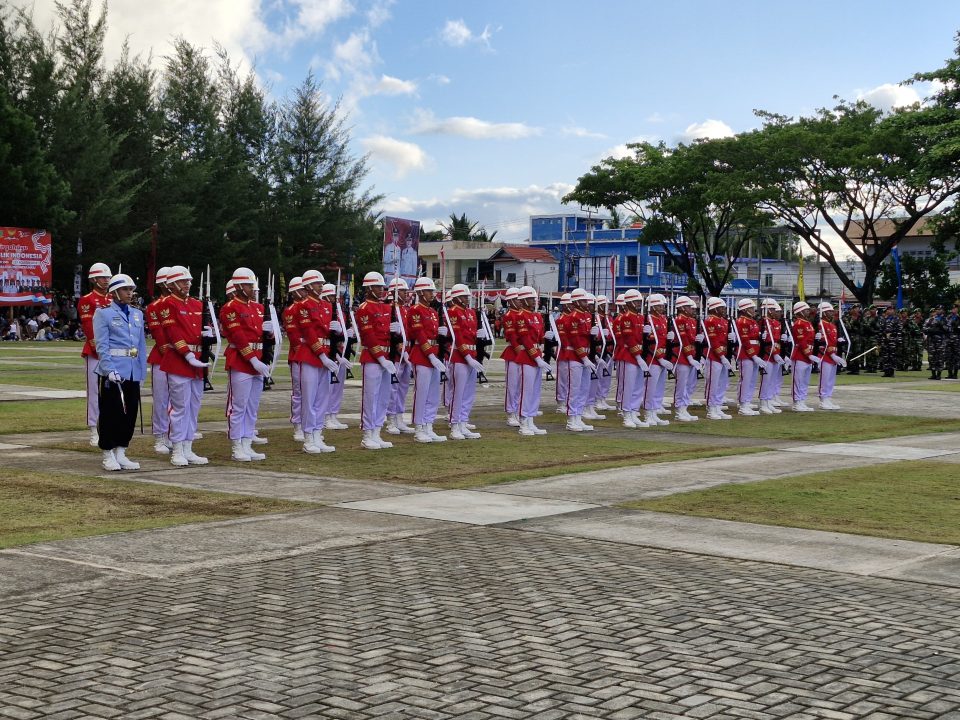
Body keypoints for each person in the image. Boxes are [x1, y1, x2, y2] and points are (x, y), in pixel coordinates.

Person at [93, 273, 148, 471]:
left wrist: (142, 371)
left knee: (130, 413)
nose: (129, 293)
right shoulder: (103, 313)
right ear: (115, 292)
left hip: (132, 370)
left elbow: (140, 345)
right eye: (126, 289)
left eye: (131, 289)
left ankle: (121, 451)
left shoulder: (137, 314)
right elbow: (102, 345)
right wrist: (108, 370)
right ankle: (107, 452)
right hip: (113, 370)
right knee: (111, 412)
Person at [160, 265, 210, 466]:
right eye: (183, 281)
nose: (187, 284)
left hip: (197, 359)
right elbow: (172, 332)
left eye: (188, 280)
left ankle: (188, 447)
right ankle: (177, 448)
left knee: (193, 406)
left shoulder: (197, 304)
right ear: (171, 285)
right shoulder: (168, 304)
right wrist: (187, 354)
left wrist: (209, 334)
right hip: (179, 359)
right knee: (179, 407)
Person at [221, 267, 272, 461]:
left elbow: (262, 336)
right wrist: (252, 359)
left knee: (252, 406)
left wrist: (270, 333)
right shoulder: (230, 307)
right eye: (250, 285)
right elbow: (238, 336)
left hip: (258, 358)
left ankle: (247, 442)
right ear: (240, 286)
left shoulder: (258, 308)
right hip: (241, 360)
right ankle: (236, 446)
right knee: (238, 405)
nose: (253, 288)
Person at [294, 269, 337, 454]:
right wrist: (321, 355)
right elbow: (309, 331)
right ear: (309, 286)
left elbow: (326, 330)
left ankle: (318, 433)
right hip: (310, 354)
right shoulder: (302, 306)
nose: (322, 286)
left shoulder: (327, 306)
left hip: (325, 353)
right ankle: (308, 436)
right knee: (309, 398)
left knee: (322, 398)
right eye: (319, 283)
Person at [355, 272, 397, 449]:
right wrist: (380, 357)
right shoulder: (365, 308)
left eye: (383, 287)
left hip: (387, 356)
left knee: (383, 397)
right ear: (369, 288)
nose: (382, 290)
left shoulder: (387, 308)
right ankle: (367, 433)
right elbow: (368, 335)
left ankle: (377, 431)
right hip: (373, 357)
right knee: (370, 397)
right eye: (379, 287)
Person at [408, 277, 447, 443]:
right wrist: (430, 354)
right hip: (422, 354)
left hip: (434, 352)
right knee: (422, 393)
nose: (433, 294)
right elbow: (419, 334)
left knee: (433, 394)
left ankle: (428, 424)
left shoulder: (432, 312)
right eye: (429, 291)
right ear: (421, 293)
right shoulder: (415, 310)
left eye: (432, 290)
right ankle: (418, 427)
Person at [78, 262, 113, 446]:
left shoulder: (113, 298)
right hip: (96, 351)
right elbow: (89, 327)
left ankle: (108, 427)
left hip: (113, 350)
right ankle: (93, 428)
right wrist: (100, 349)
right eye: (103, 277)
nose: (106, 280)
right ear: (94, 280)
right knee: (94, 391)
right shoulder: (88, 300)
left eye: (108, 277)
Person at [444, 283, 484, 439]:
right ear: (457, 298)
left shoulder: (471, 313)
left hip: (471, 355)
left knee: (468, 393)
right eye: (465, 296)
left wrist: (478, 337)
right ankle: (455, 424)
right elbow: (458, 335)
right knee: (458, 392)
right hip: (459, 356)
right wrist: (466, 355)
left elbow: (470, 333)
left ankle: (463, 421)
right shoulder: (452, 312)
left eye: (467, 296)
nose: (467, 299)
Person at [514, 286, 551, 436]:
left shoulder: (537, 316)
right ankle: (523, 422)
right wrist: (536, 356)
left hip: (537, 354)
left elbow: (539, 336)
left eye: (534, 298)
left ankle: (531, 420)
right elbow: (525, 339)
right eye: (530, 298)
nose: (534, 301)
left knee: (535, 391)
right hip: (527, 356)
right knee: (526, 391)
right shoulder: (520, 315)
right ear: (523, 301)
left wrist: (545, 339)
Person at [560, 288, 596, 431]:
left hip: (585, 355)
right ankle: (571, 419)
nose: (586, 303)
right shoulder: (573, 317)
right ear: (576, 302)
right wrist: (583, 357)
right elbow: (574, 339)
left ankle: (578, 416)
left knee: (584, 389)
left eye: (586, 300)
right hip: (575, 356)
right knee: (574, 389)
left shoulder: (587, 315)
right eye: (583, 300)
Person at [146, 267, 173, 454]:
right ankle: (160, 436)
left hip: (181, 356)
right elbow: (159, 335)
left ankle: (174, 434)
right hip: (164, 356)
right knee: (161, 399)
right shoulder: (154, 306)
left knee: (179, 401)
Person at [614, 290, 649, 428]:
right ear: (629, 303)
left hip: (639, 354)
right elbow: (629, 339)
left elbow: (641, 338)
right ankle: (627, 414)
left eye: (640, 302)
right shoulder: (626, 317)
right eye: (636, 301)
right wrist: (638, 356)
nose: (639, 304)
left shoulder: (640, 317)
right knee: (628, 387)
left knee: (638, 386)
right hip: (628, 354)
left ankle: (634, 411)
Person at [385, 277, 415, 435]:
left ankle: (399, 417)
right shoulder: (390, 309)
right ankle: (390, 419)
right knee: (393, 389)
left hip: (406, 353)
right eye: (403, 291)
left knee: (403, 388)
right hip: (395, 355)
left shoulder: (405, 309)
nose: (406, 293)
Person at [322, 283, 352, 431]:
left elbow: (343, 333)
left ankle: (333, 414)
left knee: (338, 387)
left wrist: (348, 333)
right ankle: (326, 415)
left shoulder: (340, 312)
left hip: (341, 351)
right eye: (331, 296)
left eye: (335, 296)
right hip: (330, 353)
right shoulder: (324, 311)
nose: (334, 299)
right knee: (328, 387)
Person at [642, 293, 672, 426]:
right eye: (659, 306)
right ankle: (648, 413)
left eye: (662, 305)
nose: (662, 308)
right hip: (652, 358)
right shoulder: (649, 320)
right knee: (650, 388)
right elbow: (651, 342)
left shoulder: (663, 319)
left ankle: (654, 411)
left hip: (663, 357)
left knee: (659, 388)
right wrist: (660, 358)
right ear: (653, 307)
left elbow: (664, 341)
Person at [282, 277, 306, 440]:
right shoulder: (291, 310)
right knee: (298, 392)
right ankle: (298, 424)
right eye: (303, 289)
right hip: (299, 356)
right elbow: (294, 336)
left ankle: (309, 425)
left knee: (312, 394)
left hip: (311, 355)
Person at [671, 296, 702, 422]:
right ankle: (679, 409)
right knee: (681, 384)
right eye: (689, 307)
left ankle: (685, 407)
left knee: (690, 384)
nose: (692, 309)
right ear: (682, 308)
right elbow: (683, 340)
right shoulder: (679, 320)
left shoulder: (692, 321)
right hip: (682, 356)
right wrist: (689, 357)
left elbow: (692, 339)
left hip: (692, 355)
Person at [734, 298, 766, 416]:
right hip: (746, 354)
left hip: (753, 354)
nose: (754, 310)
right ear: (745, 309)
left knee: (751, 380)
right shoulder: (743, 321)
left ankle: (747, 400)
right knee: (745, 380)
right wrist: (753, 355)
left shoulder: (752, 321)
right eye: (752, 308)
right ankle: (743, 405)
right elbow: (745, 341)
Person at [703, 297, 733, 420]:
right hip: (714, 356)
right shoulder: (710, 321)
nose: (724, 310)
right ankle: (711, 408)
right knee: (713, 383)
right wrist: (721, 356)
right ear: (715, 309)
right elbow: (713, 341)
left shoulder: (724, 321)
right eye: (722, 308)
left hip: (723, 355)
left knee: (721, 383)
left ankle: (717, 405)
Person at [757, 299, 785, 414]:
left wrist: (778, 353)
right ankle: (763, 402)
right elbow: (766, 341)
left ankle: (768, 401)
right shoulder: (763, 322)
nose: (774, 311)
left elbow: (776, 340)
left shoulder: (775, 323)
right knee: (766, 380)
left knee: (772, 380)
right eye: (772, 309)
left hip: (775, 354)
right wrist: (773, 353)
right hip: (766, 355)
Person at [815, 301, 846, 409]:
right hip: (825, 355)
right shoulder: (821, 324)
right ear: (823, 313)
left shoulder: (832, 325)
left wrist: (839, 341)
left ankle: (828, 398)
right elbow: (823, 341)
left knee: (830, 379)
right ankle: (823, 400)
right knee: (824, 378)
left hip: (833, 355)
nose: (832, 313)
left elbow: (832, 340)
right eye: (829, 311)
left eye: (832, 311)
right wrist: (831, 354)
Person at [500, 287, 523, 427]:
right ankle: (510, 412)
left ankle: (519, 410)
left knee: (521, 385)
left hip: (524, 352)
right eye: (517, 299)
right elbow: (512, 336)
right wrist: (520, 351)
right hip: (514, 352)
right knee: (512, 385)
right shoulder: (509, 315)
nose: (520, 302)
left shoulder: (522, 313)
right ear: (510, 301)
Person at [790, 301, 819, 412]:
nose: (808, 311)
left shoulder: (807, 323)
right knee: (798, 380)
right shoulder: (799, 323)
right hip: (800, 355)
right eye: (806, 310)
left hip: (808, 355)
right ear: (800, 311)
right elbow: (801, 341)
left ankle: (802, 400)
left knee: (805, 380)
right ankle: (797, 402)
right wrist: (808, 354)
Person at [878, 305, 902, 378]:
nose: (890, 311)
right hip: (885, 341)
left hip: (893, 340)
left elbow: (899, 330)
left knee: (892, 356)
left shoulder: (896, 319)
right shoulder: (883, 319)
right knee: (885, 356)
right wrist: (880, 340)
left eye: (892, 309)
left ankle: (891, 372)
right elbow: (880, 330)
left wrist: (894, 336)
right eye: (889, 310)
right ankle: (886, 371)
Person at [924, 307, 947, 380]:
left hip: (940, 341)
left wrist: (941, 326)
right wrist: (931, 330)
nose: (937, 311)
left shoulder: (944, 319)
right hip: (931, 341)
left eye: (940, 309)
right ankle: (933, 374)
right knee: (931, 358)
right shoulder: (929, 320)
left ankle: (939, 374)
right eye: (936, 310)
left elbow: (948, 329)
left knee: (940, 357)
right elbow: (924, 329)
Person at [945, 305, 960, 379]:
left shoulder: (958, 318)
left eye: (955, 308)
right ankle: (949, 373)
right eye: (952, 308)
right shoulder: (948, 317)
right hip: (948, 339)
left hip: (956, 339)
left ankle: (955, 374)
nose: (953, 309)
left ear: (957, 309)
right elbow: (945, 327)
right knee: (948, 357)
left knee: (956, 357)